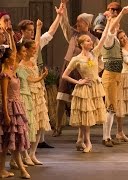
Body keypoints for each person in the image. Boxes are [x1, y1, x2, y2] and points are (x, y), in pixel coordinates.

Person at [61, 8, 111, 153]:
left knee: (87, 116)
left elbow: (103, 39)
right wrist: (78, 82)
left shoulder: (94, 54)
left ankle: (80, 140)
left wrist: (109, 22)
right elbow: (65, 75)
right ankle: (88, 142)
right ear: (82, 44)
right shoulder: (77, 59)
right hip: (84, 89)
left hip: (94, 88)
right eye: (88, 41)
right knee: (86, 117)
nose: (91, 42)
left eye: (91, 40)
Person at [18, 4, 63, 148]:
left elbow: (50, 32)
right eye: (29, 30)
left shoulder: (36, 43)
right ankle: (24, 144)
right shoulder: (18, 47)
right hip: (25, 83)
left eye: (33, 30)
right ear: (22, 32)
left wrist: (59, 16)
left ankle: (39, 141)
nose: (32, 33)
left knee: (39, 110)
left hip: (37, 80)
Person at [55, 0, 99, 145]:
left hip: (83, 72)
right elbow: (64, 24)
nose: (77, 24)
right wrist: (64, 8)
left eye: (80, 22)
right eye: (77, 22)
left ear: (87, 24)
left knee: (83, 101)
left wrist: (95, 72)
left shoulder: (93, 39)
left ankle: (83, 132)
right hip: (69, 65)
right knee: (61, 97)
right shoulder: (73, 35)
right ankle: (58, 126)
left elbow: (100, 57)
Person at [101, 2, 128, 147]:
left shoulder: (114, 39)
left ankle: (108, 136)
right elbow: (111, 28)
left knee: (112, 109)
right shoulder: (108, 38)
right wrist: (121, 14)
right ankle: (105, 137)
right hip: (110, 76)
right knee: (110, 108)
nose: (117, 26)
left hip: (116, 75)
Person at [0, 27, 30, 179]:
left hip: (17, 106)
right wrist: (6, 113)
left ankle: (3, 169)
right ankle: (22, 171)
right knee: (8, 140)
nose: (15, 56)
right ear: (7, 59)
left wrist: (11, 35)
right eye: (12, 55)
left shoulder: (13, 69)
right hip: (10, 108)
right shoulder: (5, 74)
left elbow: (18, 54)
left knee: (10, 141)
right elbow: (4, 96)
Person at [19, 20, 50, 165]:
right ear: (25, 50)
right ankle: (25, 154)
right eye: (32, 50)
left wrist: (38, 28)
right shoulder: (21, 64)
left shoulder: (34, 60)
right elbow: (30, 80)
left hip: (38, 95)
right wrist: (41, 78)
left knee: (39, 125)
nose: (34, 51)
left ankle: (32, 153)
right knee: (29, 125)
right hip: (28, 95)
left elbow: (37, 41)